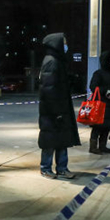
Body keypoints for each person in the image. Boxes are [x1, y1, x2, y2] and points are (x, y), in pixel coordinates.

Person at [37, 33, 80, 179]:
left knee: (62, 139)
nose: (66, 46)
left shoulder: (58, 61)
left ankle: (62, 168)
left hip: (60, 109)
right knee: (50, 140)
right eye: (64, 43)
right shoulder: (51, 61)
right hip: (52, 112)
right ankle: (45, 168)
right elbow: (48, 89)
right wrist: (56, 112)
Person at [88, 50, 110, 154]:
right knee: (97, 126)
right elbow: (93, 86)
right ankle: (93, 147)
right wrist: (105, 91)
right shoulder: (98, 73)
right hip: (100, 104)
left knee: (107, 126)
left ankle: (103, 146)